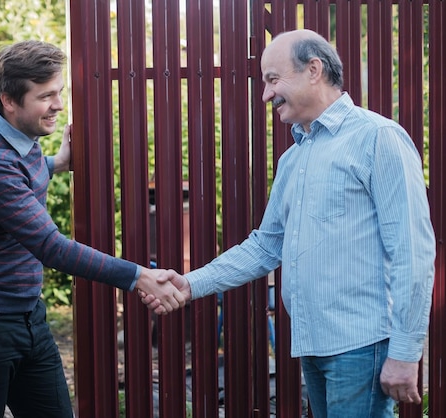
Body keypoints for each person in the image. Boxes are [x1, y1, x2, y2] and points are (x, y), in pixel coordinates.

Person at [143, 29, 435, 417]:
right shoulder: (292, 159)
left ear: (314, 70)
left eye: (272, 79)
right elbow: (266, 245)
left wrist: (404, 352)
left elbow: (412, 251)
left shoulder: (378, 138)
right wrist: (191, 282)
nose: (266, 95)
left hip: (362, 346)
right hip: (312, 345)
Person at [0, 40, 185, 418]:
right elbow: (51, 246)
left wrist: (57, 162)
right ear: (9, 100)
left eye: (59, 93)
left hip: (30, 318)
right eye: (46, 96)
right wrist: (139, 277)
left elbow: (26, 175)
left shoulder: (22, 143)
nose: (58, 105)